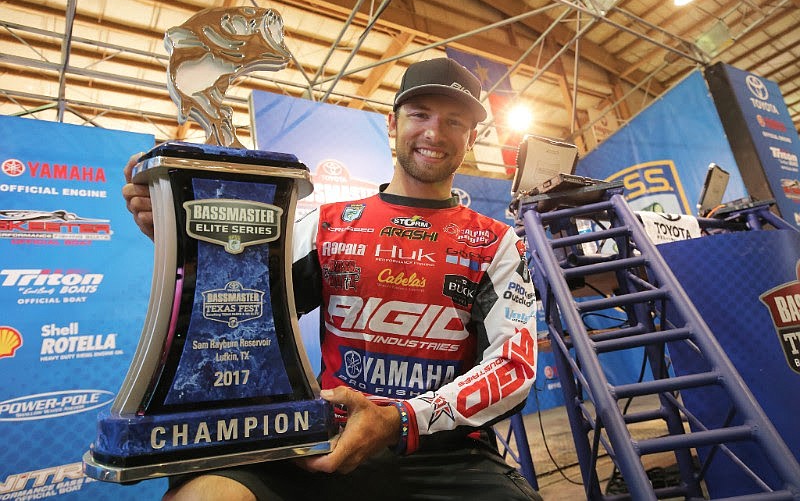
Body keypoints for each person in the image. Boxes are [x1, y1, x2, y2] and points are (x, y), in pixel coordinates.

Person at [123, 57, 541, 501]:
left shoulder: (495, 243)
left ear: (472, 137)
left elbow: (513, 368)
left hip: (445, 451)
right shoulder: (326, 224)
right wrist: (182, 240)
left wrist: (401, 419)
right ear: (392, 124)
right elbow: (244, 306)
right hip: (323, 440)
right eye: (420, 115)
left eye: (454, 121)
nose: (434, 133)